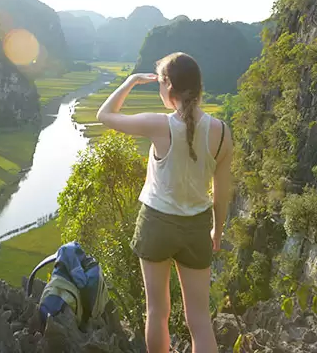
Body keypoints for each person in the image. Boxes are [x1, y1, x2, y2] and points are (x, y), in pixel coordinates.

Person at [97, 52, 233, 353]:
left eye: (161, 83)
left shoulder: (158, 124)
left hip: (156, 223)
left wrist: (131, 81)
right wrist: (217, 232)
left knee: (157, 312)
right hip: (197, 228)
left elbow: (104, 115)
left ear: (169, 86)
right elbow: (222, 193)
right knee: (199, 319)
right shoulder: (222, 132)